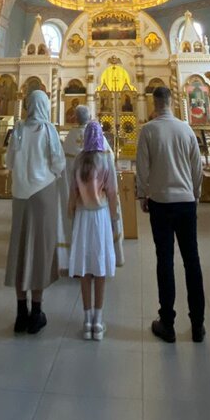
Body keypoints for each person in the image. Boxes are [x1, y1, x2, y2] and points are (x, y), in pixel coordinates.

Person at [136, 85, 205, 343]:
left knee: (164, 261)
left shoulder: (148, 130)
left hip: (161, 203)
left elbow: (142, 168)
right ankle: (198, 325)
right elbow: (197, 168)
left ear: (154, 104)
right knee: (192, 261)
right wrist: (195, 193)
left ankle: (167, 323)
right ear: (172, 101)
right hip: (186, 202)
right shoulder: (186, 129)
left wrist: (143, 195)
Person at [5, 89, 65, 335]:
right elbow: (58, 162)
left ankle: (21, 313)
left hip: (20, 194)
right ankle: (37, 312)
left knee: (19, 249)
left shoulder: (17, 130)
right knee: (40, 249)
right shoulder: (48, 130)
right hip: (43, 193)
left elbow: (8, 162)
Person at [68, 120, 119, 340]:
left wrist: (70, 213)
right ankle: (98, 321)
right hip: (100, 216)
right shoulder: (105, 160)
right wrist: (116, 217)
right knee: (99, 267)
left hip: (82, 216)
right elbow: (113, 193)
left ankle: (87, 318)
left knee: (84, 267)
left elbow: (72, 194)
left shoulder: (79, 160)